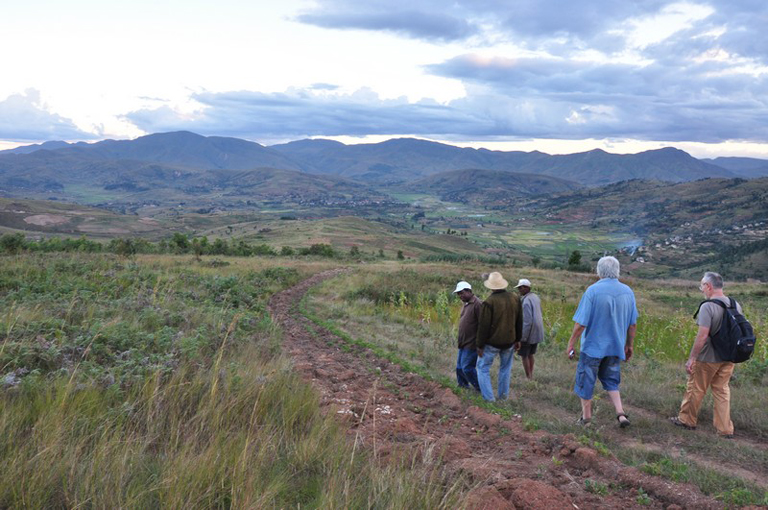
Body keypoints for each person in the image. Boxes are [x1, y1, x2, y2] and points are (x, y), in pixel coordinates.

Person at [566, 256, 637, 428]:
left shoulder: (592, 291)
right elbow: (632, 323)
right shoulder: (628, 292)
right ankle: (620, 413)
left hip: (593, 348)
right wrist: (629, 345)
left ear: (599, 271)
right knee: (611, 380)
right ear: (617, 270)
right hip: (615, 347)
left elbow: (581, 323)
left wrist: (571, 343)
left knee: (586, 382)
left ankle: (586, 419)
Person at [669, 272, 740, 438]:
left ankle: (687, 420)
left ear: (708, 286)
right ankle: (725, 429)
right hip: (729, 357)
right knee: (722, 391)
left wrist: (692, 358)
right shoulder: (735, 304)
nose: (702, 290)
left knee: (696, 388)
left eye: (702, 286)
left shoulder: (707, 306)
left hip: (708, 358)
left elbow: (702, 336)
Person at [476, 272, 522, 402]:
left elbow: (483, 326)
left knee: (482, 368)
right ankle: (503, 397)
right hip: (510, 341)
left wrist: (479, 345)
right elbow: (519, 321)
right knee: (505, 369)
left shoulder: (489, 302)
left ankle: (489, 399)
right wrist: (518, 339)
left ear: (491, 286)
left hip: (492, 343)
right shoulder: (515, 298)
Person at [453, 281, 482, 392]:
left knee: (467, 368)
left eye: (462, 293)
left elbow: (482, 324)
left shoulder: (477, 304)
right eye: (458, 294)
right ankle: (463, 386)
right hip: (463, 342)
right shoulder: (466, 304)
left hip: (472, 343)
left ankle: (479, 387)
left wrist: (480, 343)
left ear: (469, 291)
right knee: (459, 367)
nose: (460, 296)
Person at [515, 278, 544, 380]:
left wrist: (522, 337)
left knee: (524, 355)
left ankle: (528, 377)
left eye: (520, 288)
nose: (519, 290)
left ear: (526, 287)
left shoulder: (526, 301)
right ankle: (530, 375)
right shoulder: (535, 297)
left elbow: (527, 321)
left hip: (529, 332)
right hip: (537, 331)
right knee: (531, 354)